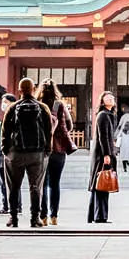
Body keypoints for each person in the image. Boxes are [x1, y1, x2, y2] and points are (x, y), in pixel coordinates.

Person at [1, 78, 52, 229]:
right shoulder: (42, 108)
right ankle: (35, 218)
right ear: (33, 88)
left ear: (19, 90)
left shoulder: (13, 108)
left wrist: (6, 150)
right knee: (36, 187)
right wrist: (47, 150)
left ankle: (13, 217)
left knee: (14, 186)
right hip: (37, 154)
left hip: (16, 153)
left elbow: (6, 131)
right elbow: (48, 132)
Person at [41, 81, 76, 227]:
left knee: (42, 183)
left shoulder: (38, 104)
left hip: (41, 149)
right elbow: (69, 125)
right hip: (58, 149)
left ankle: (42, 216)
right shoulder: (59, 105)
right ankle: (54, 216)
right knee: (55, 183)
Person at [88, 91, 121, 223]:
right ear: (102, 101)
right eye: (108, 97)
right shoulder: (103, 115)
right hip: (102, 154)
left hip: (104, 152)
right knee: (102, 183)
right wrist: (107, 154)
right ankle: (100, 216)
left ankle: (97, 215)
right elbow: (103, 136)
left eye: (112, 97)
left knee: (100, 184)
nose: (111, 99)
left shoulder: (109, 115)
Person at [0, 92, 16, 215]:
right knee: (9, 182)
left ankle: (9, 206)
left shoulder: (12, 115)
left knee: (8, 182)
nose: (3, 105)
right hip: (4, 152)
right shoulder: (6, 116)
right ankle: (11, 205)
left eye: (5, 102)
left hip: (8, 152)